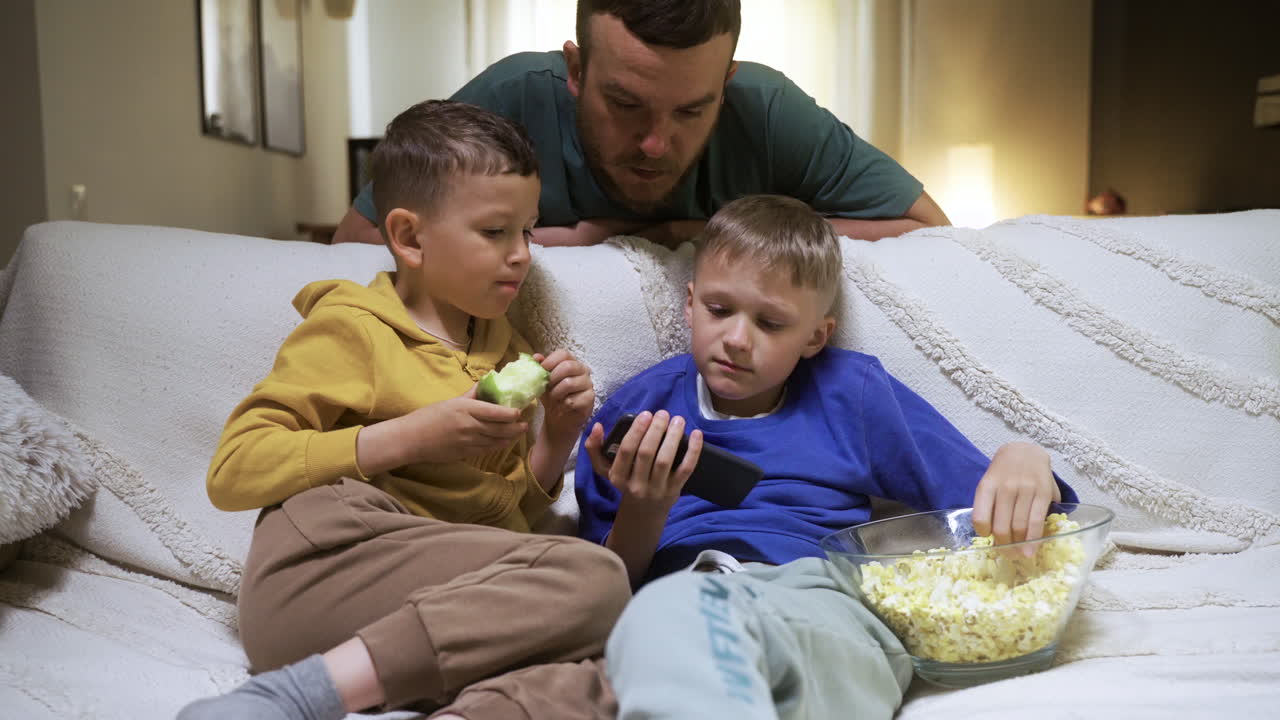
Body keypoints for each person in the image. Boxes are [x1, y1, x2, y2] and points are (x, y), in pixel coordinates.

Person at [179, 100, 630, 720]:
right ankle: (291, 699)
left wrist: (558, 436)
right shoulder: (353, 331)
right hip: (321, 572)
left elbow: (503, 525)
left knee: (609, 657)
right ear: (410, 238)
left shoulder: (510, 352)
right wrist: (409, 437)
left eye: (528, 229)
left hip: (427, 608)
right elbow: (232, 471)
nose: (523, 253)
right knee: (598, 579)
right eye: (495, 232)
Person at [575, 194, 1078, 719]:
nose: (738, 339)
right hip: (681, 595)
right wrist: (646, 508)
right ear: (690, 302)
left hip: (820, 597)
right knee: (666, 616)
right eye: (719, 310)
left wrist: (1024, 456)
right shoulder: (637, 410)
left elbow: (999, 507)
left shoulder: (851, 394)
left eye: (770, 324)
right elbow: (609, 583)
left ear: (816, 335)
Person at [333, 0, 949, 248]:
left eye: (691, 110)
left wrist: (687, 233)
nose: (657, 144)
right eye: (625, 104)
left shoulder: (765, 109)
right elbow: (355, 245)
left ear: (725, 84)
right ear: (576, 69)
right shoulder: (512, 96)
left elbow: (930, 233)